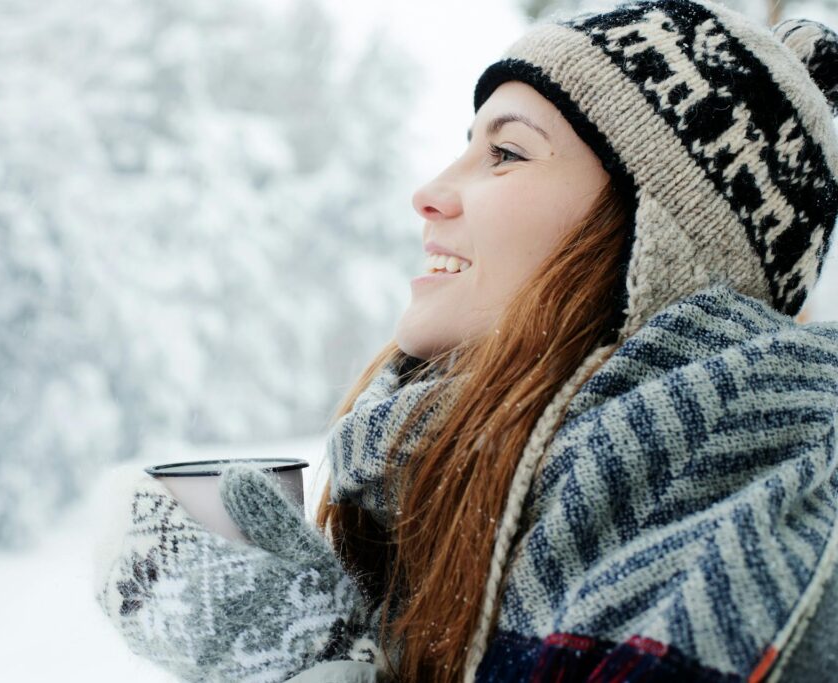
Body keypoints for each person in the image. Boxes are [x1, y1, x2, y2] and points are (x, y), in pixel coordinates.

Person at [92, 0, 838, 681]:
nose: (430, 191)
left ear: (659, 246)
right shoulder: (455, 507)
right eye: (465, 146)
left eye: (506, 153)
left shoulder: (771, 562)